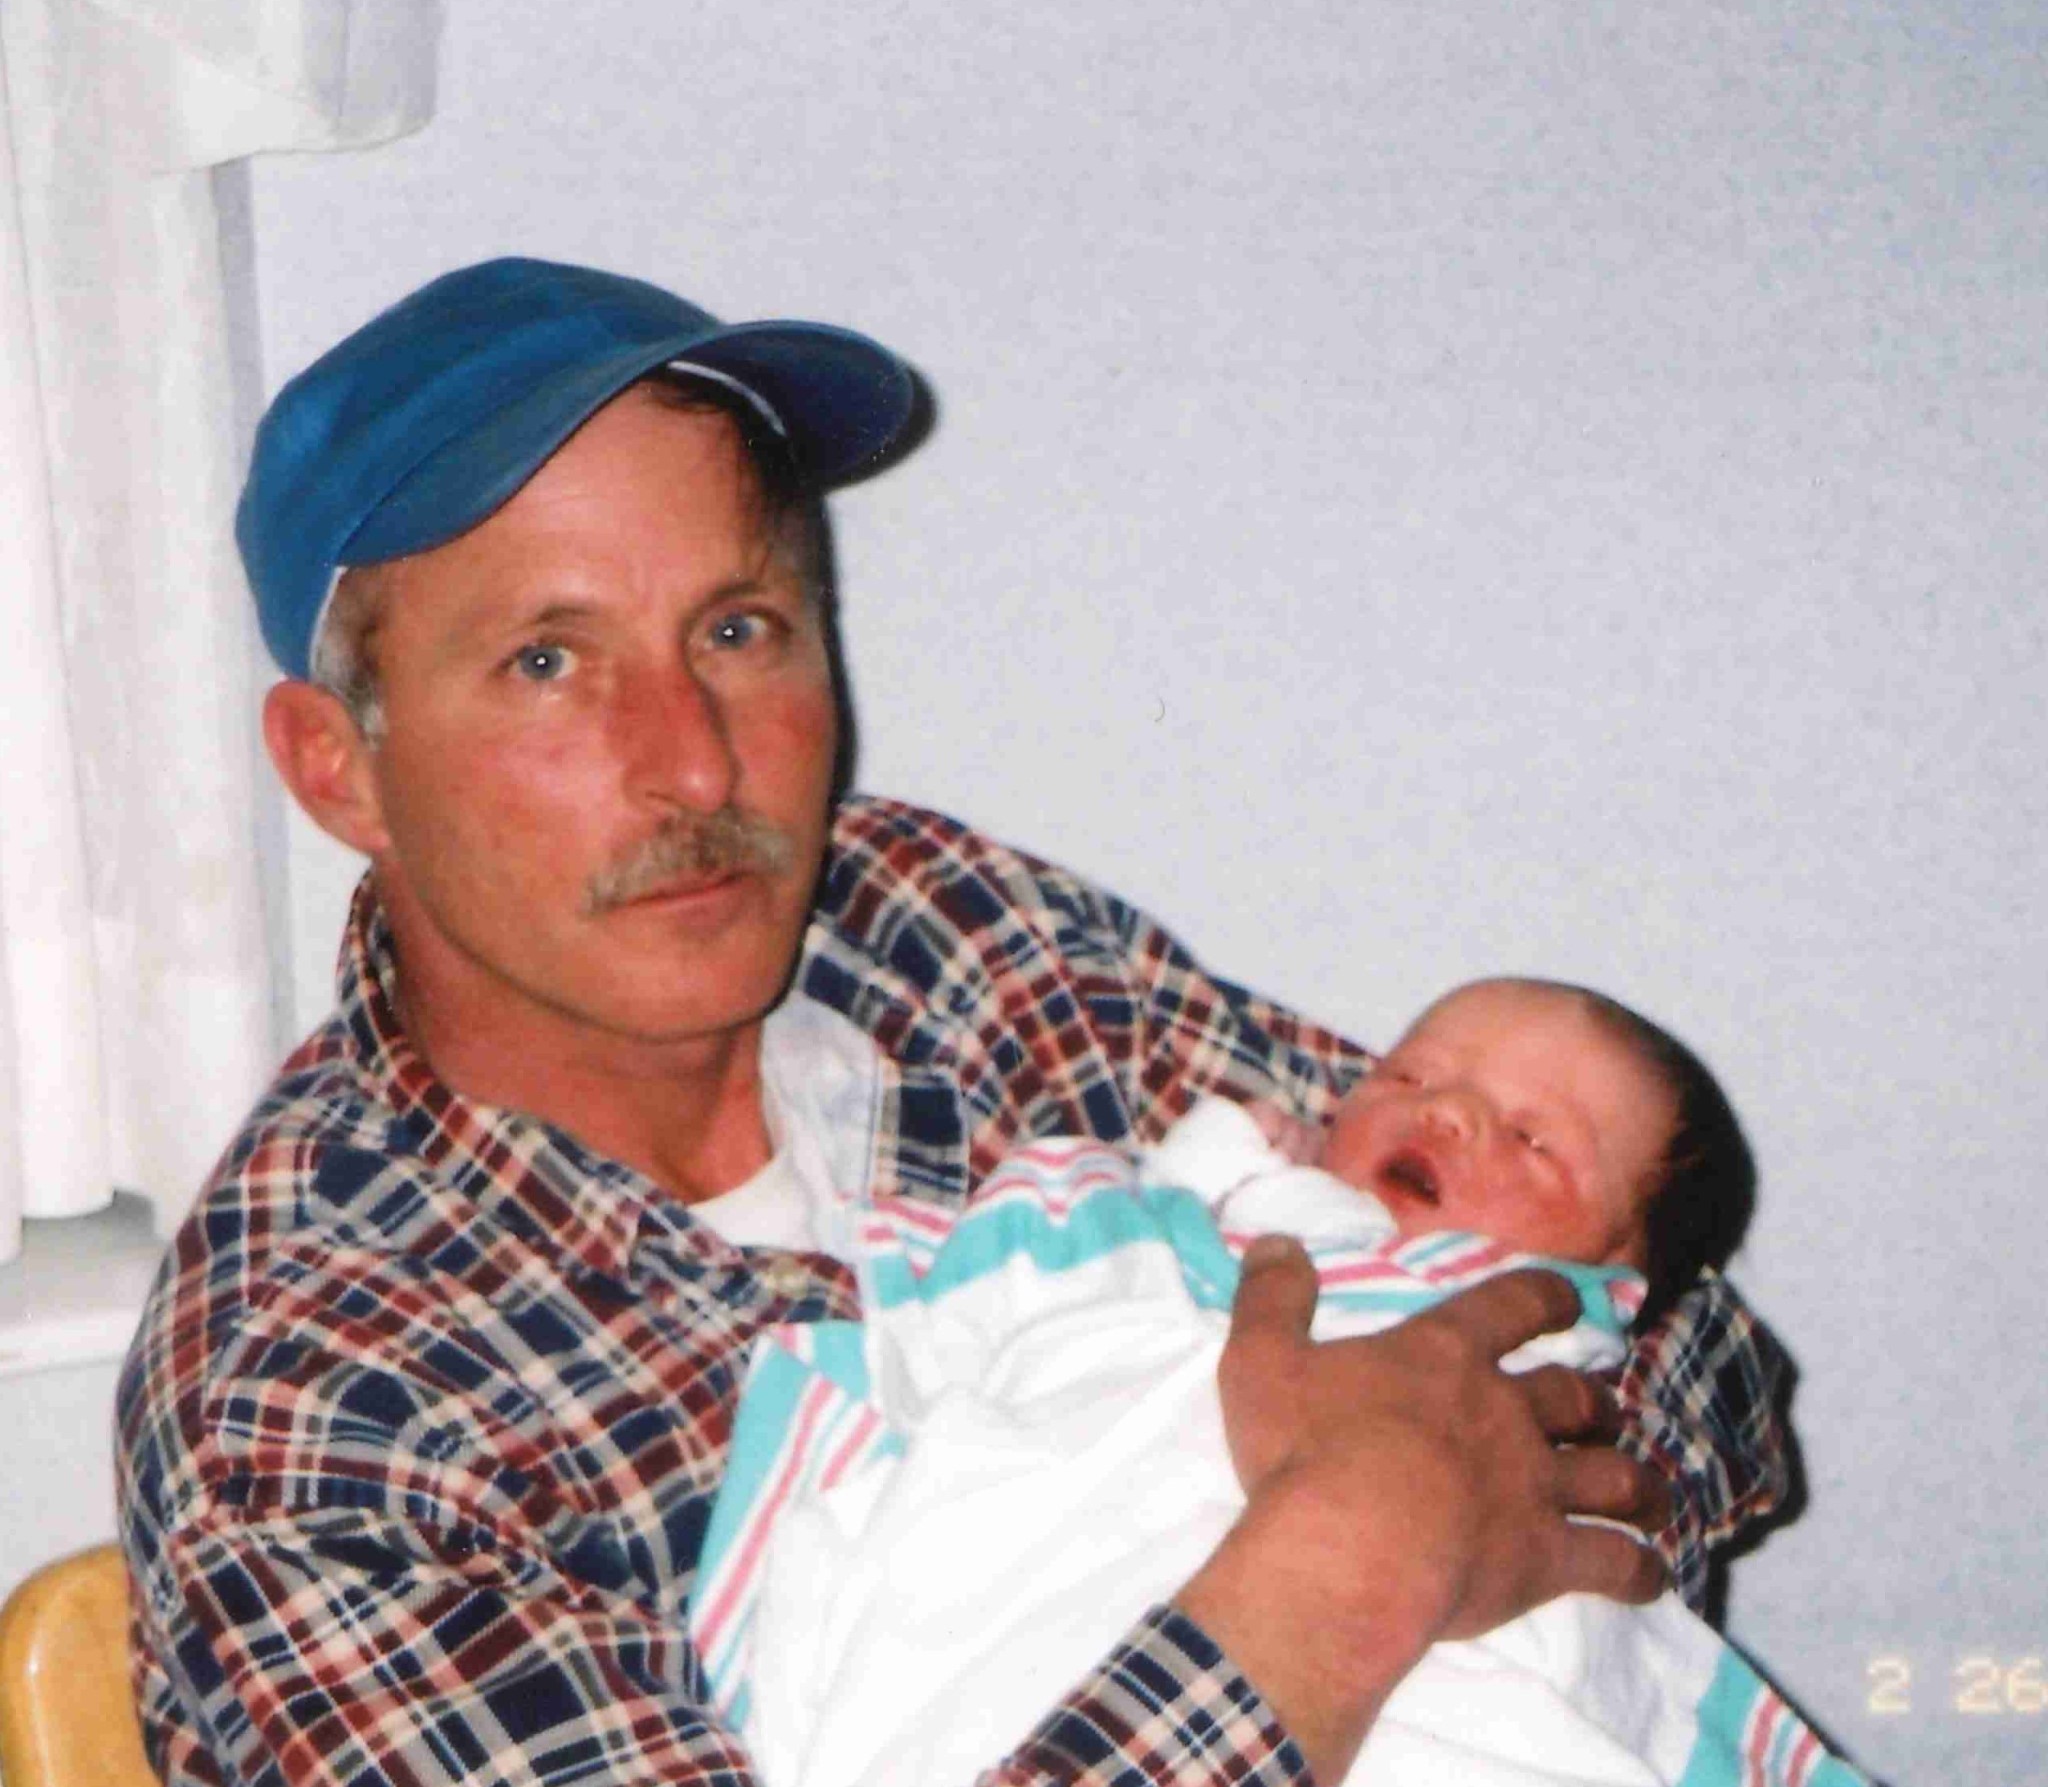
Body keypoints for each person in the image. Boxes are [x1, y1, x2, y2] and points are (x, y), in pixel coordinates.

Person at [116, 257, 1790, 1787]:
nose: (697, 762)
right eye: (548, 663)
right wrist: (1357, 1552)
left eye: (738, 630)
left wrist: (1512, 1451)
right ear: (338, 767)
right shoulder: (314, 1401)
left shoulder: (939, 930)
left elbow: (1640, 1296)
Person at [691, 979, 1862, 1787]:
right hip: (1079, 1616)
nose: (1444, 1108)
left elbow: (1693, 1404)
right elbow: (1053, 1257)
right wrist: (1201, 1170)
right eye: (1406, 1071)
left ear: (1617, 1273)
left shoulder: (1548, 1343)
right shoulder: (1221, 1220)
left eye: (1530, 1137)